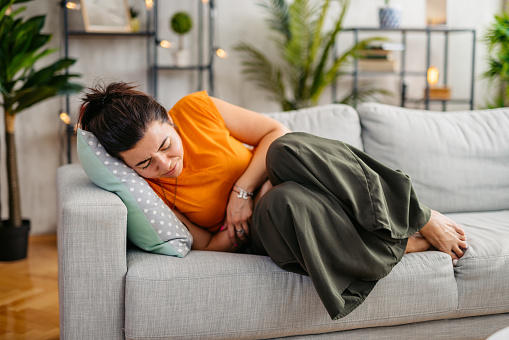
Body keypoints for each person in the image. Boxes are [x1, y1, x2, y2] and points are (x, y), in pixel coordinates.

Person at [78, 82, 468, 320]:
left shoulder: (195, 109)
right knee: (284, 203)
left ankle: (416, 215)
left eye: (165, 145)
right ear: (127, 165)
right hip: (268, 225)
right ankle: (400, 242)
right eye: (145, 163)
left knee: (285, 147)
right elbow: (208, 244)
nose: (164, 164)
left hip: (281, 176)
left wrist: (243, 191)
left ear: (170, 120)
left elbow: (273, 130)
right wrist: (242, 219)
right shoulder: (151, 192)